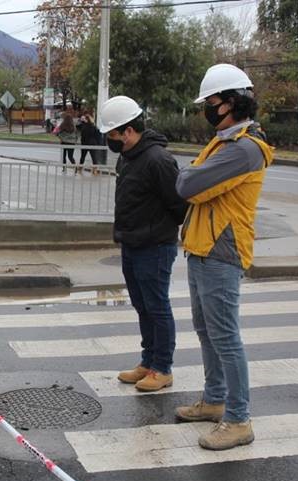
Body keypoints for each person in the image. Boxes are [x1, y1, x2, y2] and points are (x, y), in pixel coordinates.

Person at [175, 64, 273, 450]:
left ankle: (238, 419)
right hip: (202, 247)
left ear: (232, 102)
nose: (208, 109)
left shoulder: (243, 148)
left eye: (212, 102)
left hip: (221, 250)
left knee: (226, 337)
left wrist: (194, 175)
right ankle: (215, 400)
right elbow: (194, 182)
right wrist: (195, 176)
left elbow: (187, 184)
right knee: (207, 330)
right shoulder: (225, 140)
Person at [98, 96, 188, 393]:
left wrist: (156, 229)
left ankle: (162, 368)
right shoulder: (129, 156)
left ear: (128, 130)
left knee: (157, 306)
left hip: (155, 246)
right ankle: (148, 362)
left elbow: (178, 205)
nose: (110, 140)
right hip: (131, 243)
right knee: (142, 306)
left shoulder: (158, 160)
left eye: (112, 134)